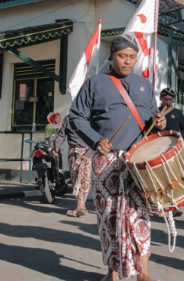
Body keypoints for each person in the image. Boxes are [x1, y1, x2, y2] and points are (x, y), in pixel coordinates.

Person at [70, 35, 166, 281]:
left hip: (138, 160)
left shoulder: (145, 85)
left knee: (139, 215)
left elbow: (152, 117)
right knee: (109, 217)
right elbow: (76, 117)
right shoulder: (95, 83)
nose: (127, 61)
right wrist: (95, 140)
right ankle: (113, 271)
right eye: (123, 56)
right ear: (112, 55)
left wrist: (159, 122)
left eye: (132, 57)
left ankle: (142, 271)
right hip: (107, 160)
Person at [53, 115, 92, 217]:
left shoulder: (90, 117)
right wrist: (56, 147)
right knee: (75, 179)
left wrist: (88, 154)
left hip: (86, 152)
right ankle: (82, 206)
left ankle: (79, 206)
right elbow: (62, 135)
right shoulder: (67, 119)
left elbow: (96, 137)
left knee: (84, 179)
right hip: (72, 152)